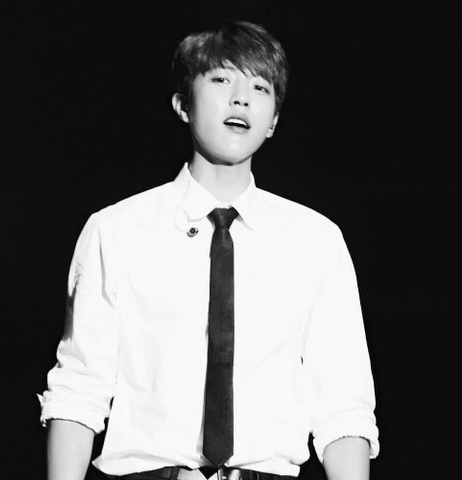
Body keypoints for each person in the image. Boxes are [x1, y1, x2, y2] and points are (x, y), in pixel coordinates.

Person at [38, 20, 380, 480]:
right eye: (221, 79)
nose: (241, 98)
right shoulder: (116, 230)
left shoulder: (315, 240)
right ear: (183, 103)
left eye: (260, 87)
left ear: (274, 120)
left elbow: (343, 408)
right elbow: (79, 390)